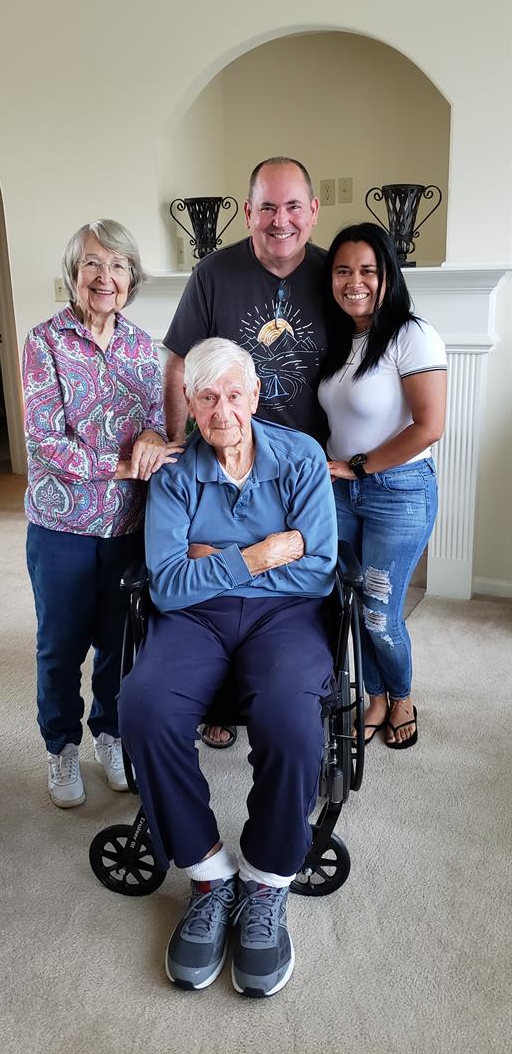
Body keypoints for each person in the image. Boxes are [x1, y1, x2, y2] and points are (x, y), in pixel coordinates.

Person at [118, 338, 337, 997]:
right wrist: (259, 554)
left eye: (233, 394)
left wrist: (208, 556)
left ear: (254, 397)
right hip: (196, 619)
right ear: (188, 402)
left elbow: (320, 565)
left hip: (286, 618)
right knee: (144, 704)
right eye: (206, 396)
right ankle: (208, 874)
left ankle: (268, 881)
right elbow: (167, 585)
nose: (222, 410)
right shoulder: (178, 472)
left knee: (291, 718)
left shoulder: (298, 457)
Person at [164, 156, 328, 746]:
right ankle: (216, 696)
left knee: (310, 590)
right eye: (265, 207)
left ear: (312, 211)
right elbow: (181, 363)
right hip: (219, 457)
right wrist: (180, 447)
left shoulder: (333, 272)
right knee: (214, 582)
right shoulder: (214, 272)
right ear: (247, 211)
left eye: (291, 206)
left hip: (305, 468)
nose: (278, 220)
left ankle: (294, 699)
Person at [23, 219, 181, 808]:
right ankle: (59, 747)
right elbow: (44, 442)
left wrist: (149, 437)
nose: (104, 277)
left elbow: (162, 432)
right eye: (92, 263)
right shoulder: (45, 342)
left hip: (126, 528)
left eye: (116, 265)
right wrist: (121, 467)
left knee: (121, 644)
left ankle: (110, 734)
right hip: (60, 527)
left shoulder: (145, 349)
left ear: (132, 276)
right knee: (60, 646)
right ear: (74, 272)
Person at [318, 223, 447, 749]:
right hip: (343, 494)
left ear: (388, 275)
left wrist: (360, 466)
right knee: (349, 603)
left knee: (379, 610)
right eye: (343, 270)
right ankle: (373, 697)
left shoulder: (412, 334)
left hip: (399, 490)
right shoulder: (341, 339)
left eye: (368, 270)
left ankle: (401, 696)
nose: (355, 282)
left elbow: (429, 426)